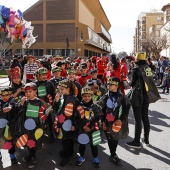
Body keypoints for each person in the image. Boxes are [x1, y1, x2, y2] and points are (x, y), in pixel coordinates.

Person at [126, 52, 160, 149]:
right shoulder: (148, 68)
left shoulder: (136, 69)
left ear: (137, 59)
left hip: (137, 96)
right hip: (146, 96)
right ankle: (146, 140)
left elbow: (132, 83)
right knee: (145, 118)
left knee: (138, 119)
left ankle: (136, 142)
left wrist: (128, 81)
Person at [98, 76, 130, 166]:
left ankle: (113, 153)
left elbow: (126, 109)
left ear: (117, 86)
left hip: (117, 122)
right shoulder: (105, 97)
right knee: (109, 138)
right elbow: (101, 110)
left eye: (111, 84)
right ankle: (113, 154)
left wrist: (121, 119)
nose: (109, 85)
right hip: (107, 122)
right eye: (108, 84)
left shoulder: (123, 97)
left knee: (115, 138)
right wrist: (103, 121)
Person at [18, 83, 49, 169]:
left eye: (30, 91)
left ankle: (33, 157)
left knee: (33, 142)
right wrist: (21, 104)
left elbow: (48, 110)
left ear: (35, 91)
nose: (28, 94)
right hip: (26, 126)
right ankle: (30, 155)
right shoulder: (25, 101)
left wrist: (43, 122)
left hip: (36, 127)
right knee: (28, 141)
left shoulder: (40, 102)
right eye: (26, 92)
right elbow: (20, 113)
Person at [53, 79, 79, 166]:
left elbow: (76, 114)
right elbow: (56, 109)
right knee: (66, 139)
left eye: (62, 89)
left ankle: (66, 156)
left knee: (66, 140)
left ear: (68, 89)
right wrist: (56, 101)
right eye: (59, 89)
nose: (60, 91)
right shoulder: (62, 97)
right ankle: (69, 152)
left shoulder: (73, 99)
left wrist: (74, 124)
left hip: (69, 123)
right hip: (62, 122)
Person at [75, 86, 102, 167]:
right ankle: (81, 156)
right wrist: (83, 126)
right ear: (82, 96)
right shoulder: (79, 106)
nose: (87, 98)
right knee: (82, 143)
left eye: (89, 96)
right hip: (82, 129)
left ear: (92, 96)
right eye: (85, 96)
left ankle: (95, 157)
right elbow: (77, 118)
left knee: (93, 144)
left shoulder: (95, 106)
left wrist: (90, 126)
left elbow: (97, 117)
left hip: (93, 128)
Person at [34, 67, 55, 143]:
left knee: (49, 119)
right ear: (38, 75)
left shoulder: (49, 83)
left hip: (48, 105)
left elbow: (53, 94)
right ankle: (39, 135)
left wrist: (53, 105)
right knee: (39, 120)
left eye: (45, 75)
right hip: (39, 105)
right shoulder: (34, 84)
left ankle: (51, 133)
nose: (44, 76)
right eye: (42, 75)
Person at [0, 86, 18, 165]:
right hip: (0, 126)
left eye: (6, 95)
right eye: (2, 95)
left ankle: (12, 154)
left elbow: (14, 105)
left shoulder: (12, 101)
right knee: (1, 139)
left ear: (10, 95)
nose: (4, 97)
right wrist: (2, 110)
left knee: (10, 140)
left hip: (10, 126)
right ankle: (1, 152)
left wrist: (11, 107)